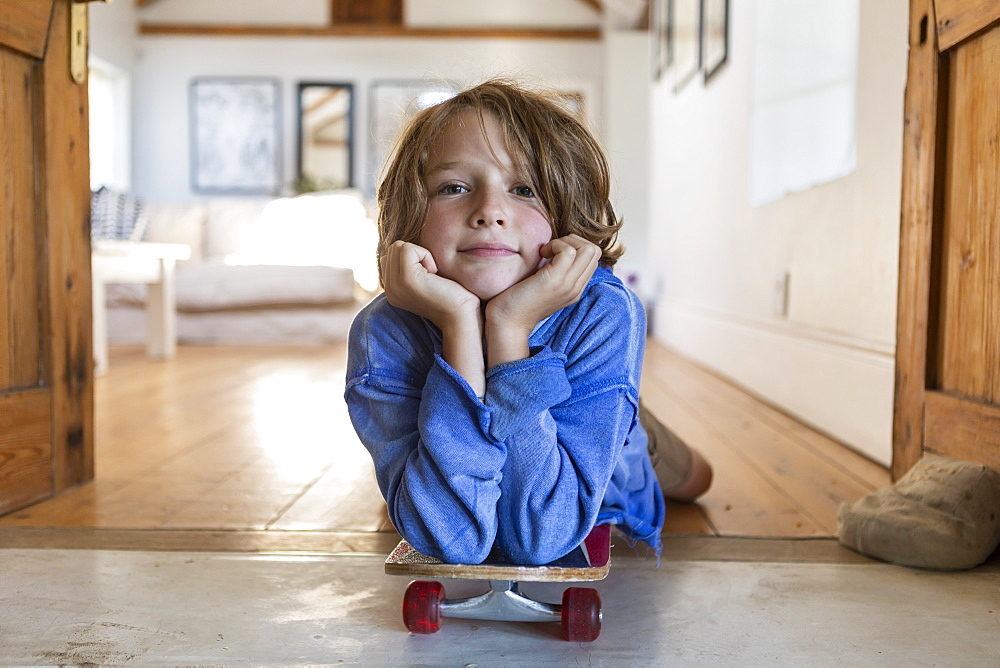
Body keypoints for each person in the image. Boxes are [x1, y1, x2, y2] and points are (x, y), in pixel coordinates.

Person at [345, 78, 711, 566]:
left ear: (566, 217)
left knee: (698, 479)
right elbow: (452, 539)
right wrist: (459, 326)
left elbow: (540, 537)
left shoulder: (603, 310)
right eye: (454, 187)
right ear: (410, 212)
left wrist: (509, 328)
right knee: (437, 501)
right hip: (534, 414)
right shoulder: (382, 332)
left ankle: (628, 416)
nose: (490, 212)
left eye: (525, 189)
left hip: (595, 422)